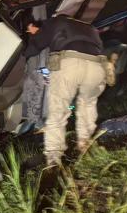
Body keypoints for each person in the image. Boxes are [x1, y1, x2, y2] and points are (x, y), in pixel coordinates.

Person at [24, 12, 110, 167]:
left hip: (70, 63)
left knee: (58, 111)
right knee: (88, 104)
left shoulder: (56, 21)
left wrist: (29, 43)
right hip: (97, 66)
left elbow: (37, 45)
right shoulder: (90, 28)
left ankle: (53, 158)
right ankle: (85, 145)